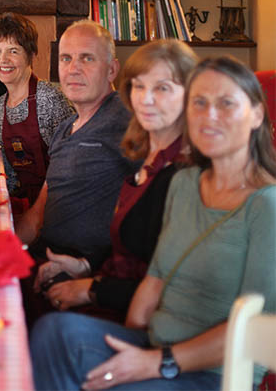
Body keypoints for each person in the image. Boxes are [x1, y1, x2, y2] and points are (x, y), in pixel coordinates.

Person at [30, 55, 276, 391]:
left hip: (215, 373)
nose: (210, 115)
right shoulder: (185, 184)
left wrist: (154, 363)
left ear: (257, 114)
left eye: (226, 103)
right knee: (53, 334)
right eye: (199, 103)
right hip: (155, 346)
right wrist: (130, 346)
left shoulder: (266, 204)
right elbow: (155, 280)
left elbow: (260, 329)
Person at [34, 40, 198, 322]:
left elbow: (172, 285)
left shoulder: (185, 173)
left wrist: (91, 288)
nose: (146, 99)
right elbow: (131, 243)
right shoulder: (145, 158)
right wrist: (84, 266)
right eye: (139, 86)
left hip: (138, 317)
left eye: (162, 88)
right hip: (104, 278)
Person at [17, 20, 138, 265]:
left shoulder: (128, 121)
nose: (73, 68)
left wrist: (93, 274)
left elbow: (158, 209)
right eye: (65, 58)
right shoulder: (65, 128)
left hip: (82, 271)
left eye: (87, 58)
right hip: (43, 258)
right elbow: (38, 214)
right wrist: (2, 249)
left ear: (112, 70)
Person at [0, 13, 74, 206]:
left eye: (13, 51)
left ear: (31, 55)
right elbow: (9, 173)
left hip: (58, 203)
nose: (3, 60)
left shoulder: (50, 98)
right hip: (24, 201)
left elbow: (71, 165)